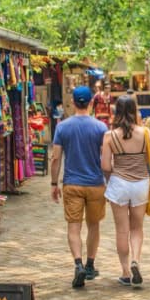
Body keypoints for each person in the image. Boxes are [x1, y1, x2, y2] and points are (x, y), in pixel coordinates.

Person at [50, 86, 109, 288]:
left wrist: (53, 183)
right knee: (94, 225)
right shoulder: (101, 127)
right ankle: (90, 265)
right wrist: (109, 182)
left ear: (73, 103)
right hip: (95, 183)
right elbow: (106, 159)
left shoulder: (62, 127)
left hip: (72, 183)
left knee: (74, 226)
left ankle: (78, 264)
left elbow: (56, 158)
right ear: (91, 103)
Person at [101, 95, 150, 287]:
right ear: (135, 110)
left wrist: (112, 178)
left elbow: (105, 166)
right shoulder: (145, 133)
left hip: (119, 184)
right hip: (141, 183)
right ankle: (136, 260)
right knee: (137, 228)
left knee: (121, 231)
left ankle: (125, 272)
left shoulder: (110, 136)